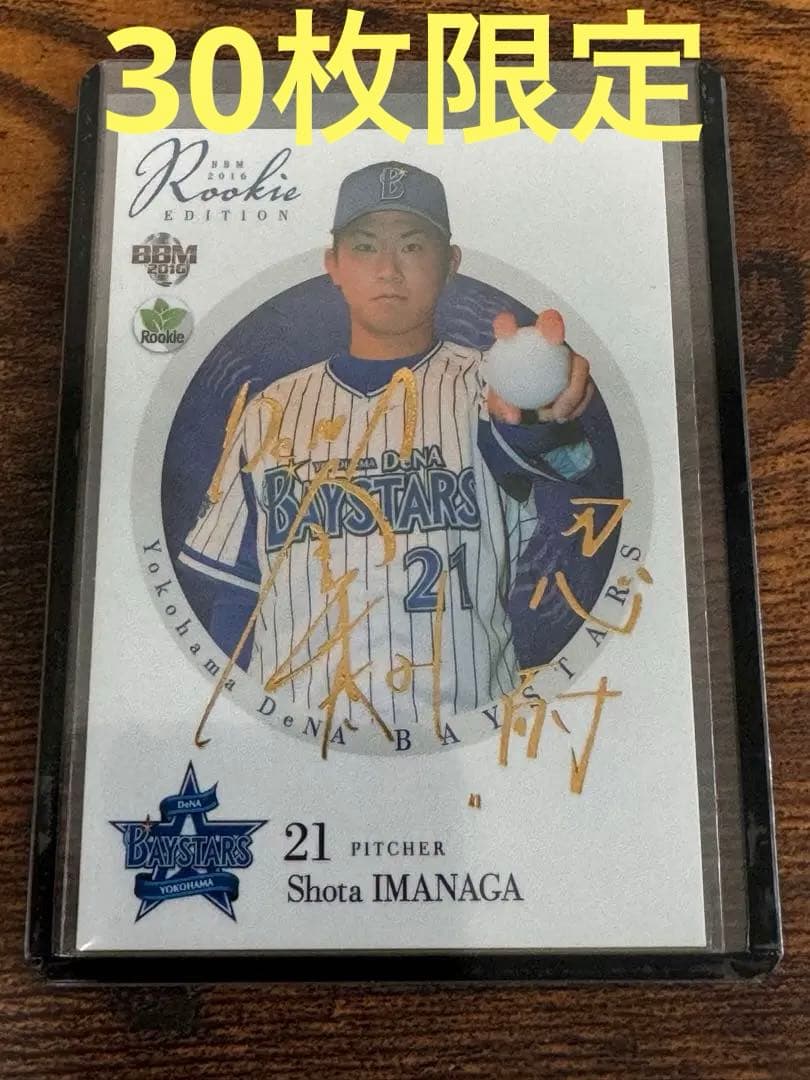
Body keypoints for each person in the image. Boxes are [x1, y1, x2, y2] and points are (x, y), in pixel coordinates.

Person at [180, 161, 595, 734]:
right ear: (333, 264)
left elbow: (544, 448)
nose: (388, 269)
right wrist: (241, 727)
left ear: (450, 263)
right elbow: (238, 593)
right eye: (365, 245)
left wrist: (546, 413)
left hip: (464, 727)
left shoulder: (489, 387)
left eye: (413, 245)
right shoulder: (270, 407)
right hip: (302, 732)